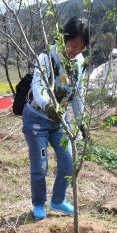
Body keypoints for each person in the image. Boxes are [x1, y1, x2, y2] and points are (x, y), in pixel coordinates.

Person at [22, 16, 89, 220]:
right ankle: (39, 203)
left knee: (68, 160)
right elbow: (38, 88)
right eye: (74, 44)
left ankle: (58, 200)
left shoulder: (79, 64)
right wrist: (49, 106)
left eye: (82, 47)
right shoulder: (47, 59)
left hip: (60, 122)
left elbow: (77, 95)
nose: (76, 50)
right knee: (40, 165)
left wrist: (81, 121)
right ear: (64, 38)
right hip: (36, 119)